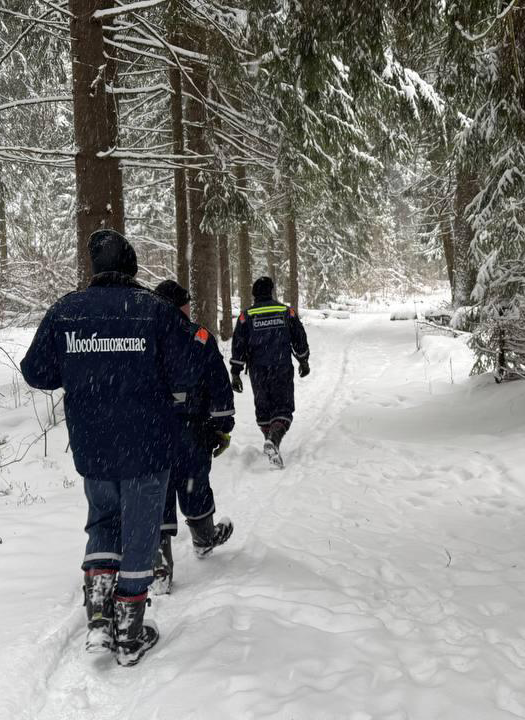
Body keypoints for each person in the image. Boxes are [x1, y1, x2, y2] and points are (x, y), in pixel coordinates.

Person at [20, 229, 210, 667]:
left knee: (103, 522)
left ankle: (99, 617)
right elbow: (187, 371)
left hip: (93, 443)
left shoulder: (66, 311)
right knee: (141, 530)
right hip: (146, 442)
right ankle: (129, 629)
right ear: (131, 266)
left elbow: (37, 372)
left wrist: (83, 364)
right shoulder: (153, 311)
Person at [152, 280, 235, 594]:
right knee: (194, 483)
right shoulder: (199, 337)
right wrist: (223, 425)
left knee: (156, 491)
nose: (189, 308)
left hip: (152, 431)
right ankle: (203, 538)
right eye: (186, 303)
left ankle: (159, 567)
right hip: (191, 429)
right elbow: (218, 385)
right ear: (182, 306)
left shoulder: (142, 339)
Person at [229, 276, 310, 468]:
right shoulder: (285, 311)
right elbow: (299, 336)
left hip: (258, 370)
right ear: (271, 291)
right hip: (281, 367)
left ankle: (271, 441)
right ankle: (274, 439)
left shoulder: (245, 316)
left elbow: (238, 344)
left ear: (254, 294)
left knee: (264, 409)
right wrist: (303, 359)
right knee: (283, 407)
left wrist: (235, 372)